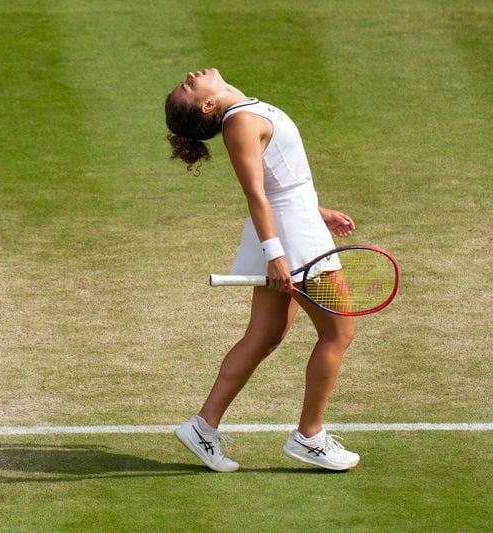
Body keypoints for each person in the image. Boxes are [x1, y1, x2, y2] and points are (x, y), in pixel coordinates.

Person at [165, 68, 360, 472]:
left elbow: (278, 180)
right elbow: (254, 192)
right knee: (338, 333)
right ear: (206, 104)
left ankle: (203, 427)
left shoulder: (244, 113)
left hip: (291, 228)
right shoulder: (240, 122)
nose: (190, 75)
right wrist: (276, 254)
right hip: (292, 241)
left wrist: (315, 212)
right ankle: (310, 436)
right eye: (188, 86)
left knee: (265, 334)